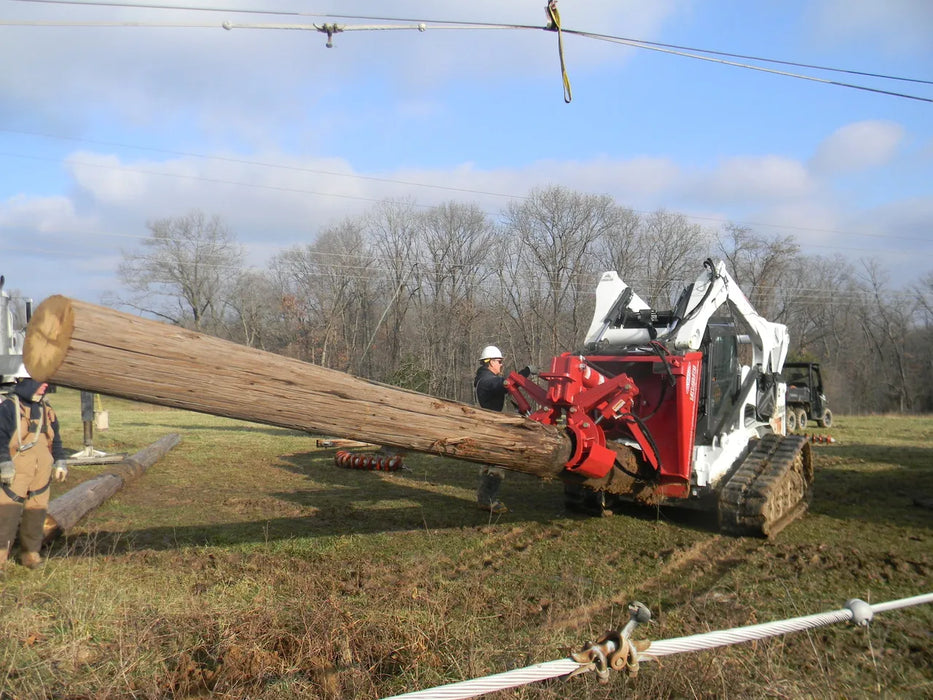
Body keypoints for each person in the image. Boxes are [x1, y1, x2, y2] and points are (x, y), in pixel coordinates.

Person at [0, 377, 68, 571]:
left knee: (36, 514)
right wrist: (4, 462)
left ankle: (31, 554)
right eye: (39, 389)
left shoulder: (47, 410)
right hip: (16, 470)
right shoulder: (8, 408)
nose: (41, 393)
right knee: (6, 514)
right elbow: (0, 437)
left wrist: (60, 461)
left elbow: (56, 441)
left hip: (42, 471)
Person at [473, 345, 534, 514]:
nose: (501, 365)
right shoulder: (487, 380)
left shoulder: (482, 378)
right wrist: (526, 372)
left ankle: (485, 500)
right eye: (499, 362)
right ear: (490, 362)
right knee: (497, 464)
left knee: (489, 464)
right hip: (490, 428)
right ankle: (489, 501)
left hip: (487, 426)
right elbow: (507, 384)